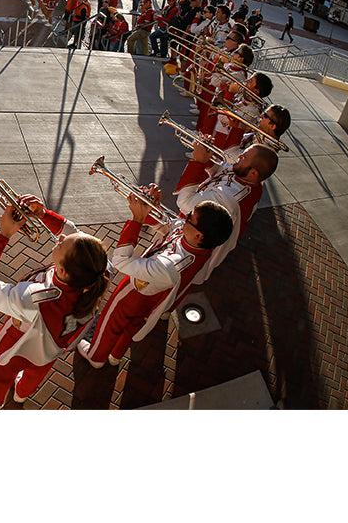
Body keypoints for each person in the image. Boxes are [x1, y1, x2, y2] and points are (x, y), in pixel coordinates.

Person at [0, 194, 110, 409]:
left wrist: (3, 235)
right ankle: (22, 394)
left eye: (61, 245)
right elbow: (76, 236)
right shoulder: (101, 271)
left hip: (16, 341)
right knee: (36, 372)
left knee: (0, 369)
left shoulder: (34, 298)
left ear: (62, 270)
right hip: (51, 349)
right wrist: (43, 214)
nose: (59, 239)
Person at [77, 188, 233, 368]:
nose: (184, 218)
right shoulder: (199, 244)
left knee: (110, 320)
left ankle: (96, 356)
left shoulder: (170, 266)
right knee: (134, 324)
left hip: (135, 291)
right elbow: (166, 225)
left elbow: (120, 261)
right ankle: (116, 354)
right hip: (152, 295)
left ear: (199, 236)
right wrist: (151, 207)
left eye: (190, 218)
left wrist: (137, 219)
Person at [174, 140, 278, 285]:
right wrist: (208, 156)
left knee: (177, 274)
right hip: (195, 226)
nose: (239, 156)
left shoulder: (230, 198)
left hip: (195, 237)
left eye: (244, 157)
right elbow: (219, 173)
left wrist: (197, 162)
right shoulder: (244, 174)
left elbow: (185, 203)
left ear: (253, 173)